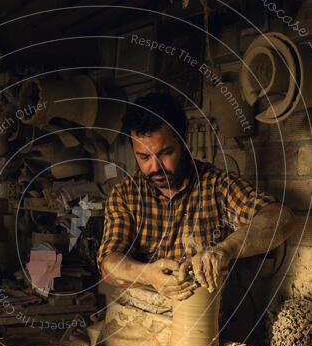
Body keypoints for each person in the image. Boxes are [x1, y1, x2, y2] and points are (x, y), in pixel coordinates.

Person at [97, 92, 295, 300]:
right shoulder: (125, 195)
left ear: (183, 141)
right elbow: (109, 264)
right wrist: (149, 275)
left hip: (203, 315)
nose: (155, 167)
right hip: (138, 312)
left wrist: (226, 249)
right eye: (144, 157)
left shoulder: (217, 186)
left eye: (165, 153)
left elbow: (282, 217)